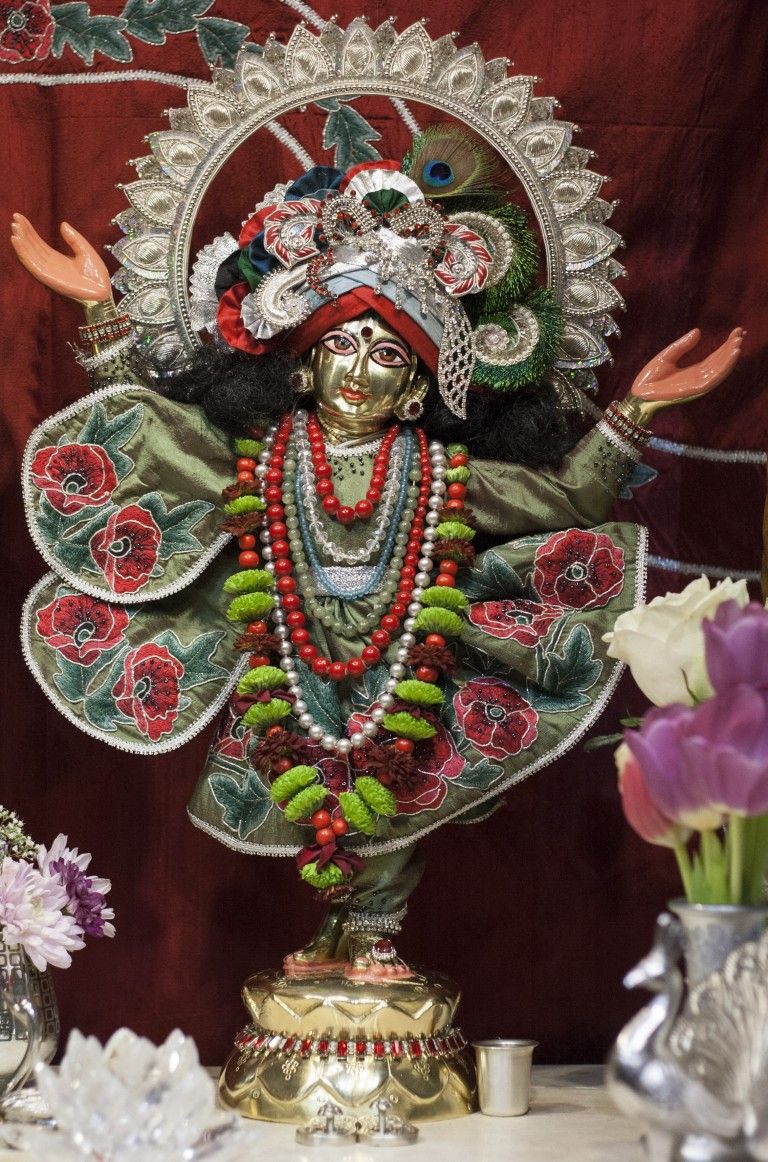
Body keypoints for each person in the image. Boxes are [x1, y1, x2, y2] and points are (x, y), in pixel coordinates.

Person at [12, 145, 742, 982]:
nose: (359, 371)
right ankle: (337, 927)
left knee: (396, 787)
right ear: (305, 365)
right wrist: (98, 309)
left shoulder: (444, 476)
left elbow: (569, 500)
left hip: (410, 661)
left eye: (389, 356)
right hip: (285, 657)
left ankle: (374, 929)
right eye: (343, 345)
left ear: (416, 392)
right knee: (304, 787)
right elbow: (152, 438)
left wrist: (638, 405)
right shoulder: (260, 460)